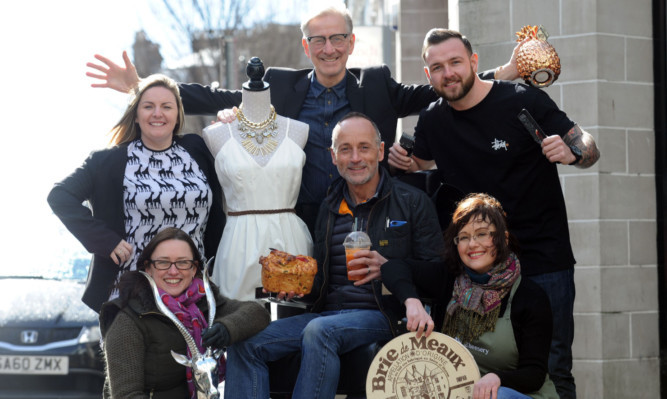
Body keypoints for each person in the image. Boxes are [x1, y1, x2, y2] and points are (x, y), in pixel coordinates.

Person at [85, 2, 520, 232]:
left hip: (371, 217)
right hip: (300, 218)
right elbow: (215, 94)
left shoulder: (378, 84)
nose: (328, 48)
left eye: (337, 39)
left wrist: (502, 74)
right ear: (305, 47)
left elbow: (442, 88)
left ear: (351, 44)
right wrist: (142, 85)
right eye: (318, 41)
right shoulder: (281, 86)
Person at [388, 29, 601, 399]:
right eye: (437, 67)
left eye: (455, 62)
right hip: (477, 266)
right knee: (477, 369)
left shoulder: (522, 101)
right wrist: (403, 161)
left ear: (473, 62)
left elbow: (586, 144)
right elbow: (421, 159)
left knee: (552, 367)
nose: (448, 73)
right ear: (428, 75)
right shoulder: (433, 119)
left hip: (541, 258)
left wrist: (573, 153)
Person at [223, 112, 444, 399]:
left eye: (364, 147)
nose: (355, 158)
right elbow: (326, 282)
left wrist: (390, 267)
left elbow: (438, 275)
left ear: (379, 151)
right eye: (345, 149)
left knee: (319, 331)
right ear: (333, 156)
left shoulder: (412, 202)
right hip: (327, 314)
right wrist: (295, 289)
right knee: (244, 343)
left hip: (383, 315)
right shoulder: (328, 206)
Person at [48, 74, 224, 313]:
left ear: (177, 114)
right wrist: (105, 241)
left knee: (197, 351)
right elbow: (60, 196)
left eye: (166, 106)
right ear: (137, 115)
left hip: (194, 292)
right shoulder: (108, 161)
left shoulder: (197, 150)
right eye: (148, 106)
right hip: (131, 294)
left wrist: (231, 117)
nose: (157, 113)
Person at [383, 193, 559, 399]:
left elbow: (535, 374)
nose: (472, 244)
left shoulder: (530, 296)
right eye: (464, 237)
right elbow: (392, 267)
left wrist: (497, 377)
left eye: (482, 234)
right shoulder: (449, 280)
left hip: (515, 393)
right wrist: (412, 301)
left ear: (503, 237)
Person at [99, 227, 270, 399]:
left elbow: (257, 313)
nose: (173, 271)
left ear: (194, 268)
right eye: (163, 263)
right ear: (148, 268)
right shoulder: (128, 320)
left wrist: (227, 329)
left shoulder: (203, 302)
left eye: (182, 262)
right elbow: (126, 396)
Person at [202, 57, 313, 300]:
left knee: (290, 319)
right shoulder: (216, 134)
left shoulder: (298, 130)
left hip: (289, 238)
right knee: (237, 321)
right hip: (239, 243)